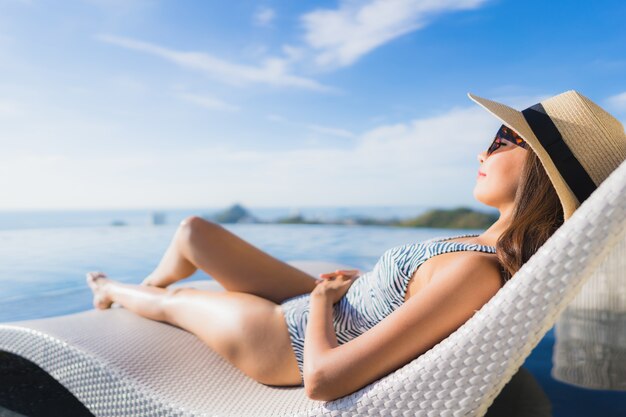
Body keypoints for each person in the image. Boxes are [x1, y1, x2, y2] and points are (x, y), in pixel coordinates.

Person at [86, 90, 626, 402]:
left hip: (283, 344)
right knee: (194, 232)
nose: (485, 147)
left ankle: (111, 290)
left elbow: (323, 381)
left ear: (541, 172)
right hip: (326, 305)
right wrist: (364, 285)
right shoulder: (481, 252)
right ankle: (155, 277)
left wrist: (320, 305)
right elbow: (405, 304)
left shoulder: (476, 273)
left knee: (175, 303)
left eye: (505, 139)